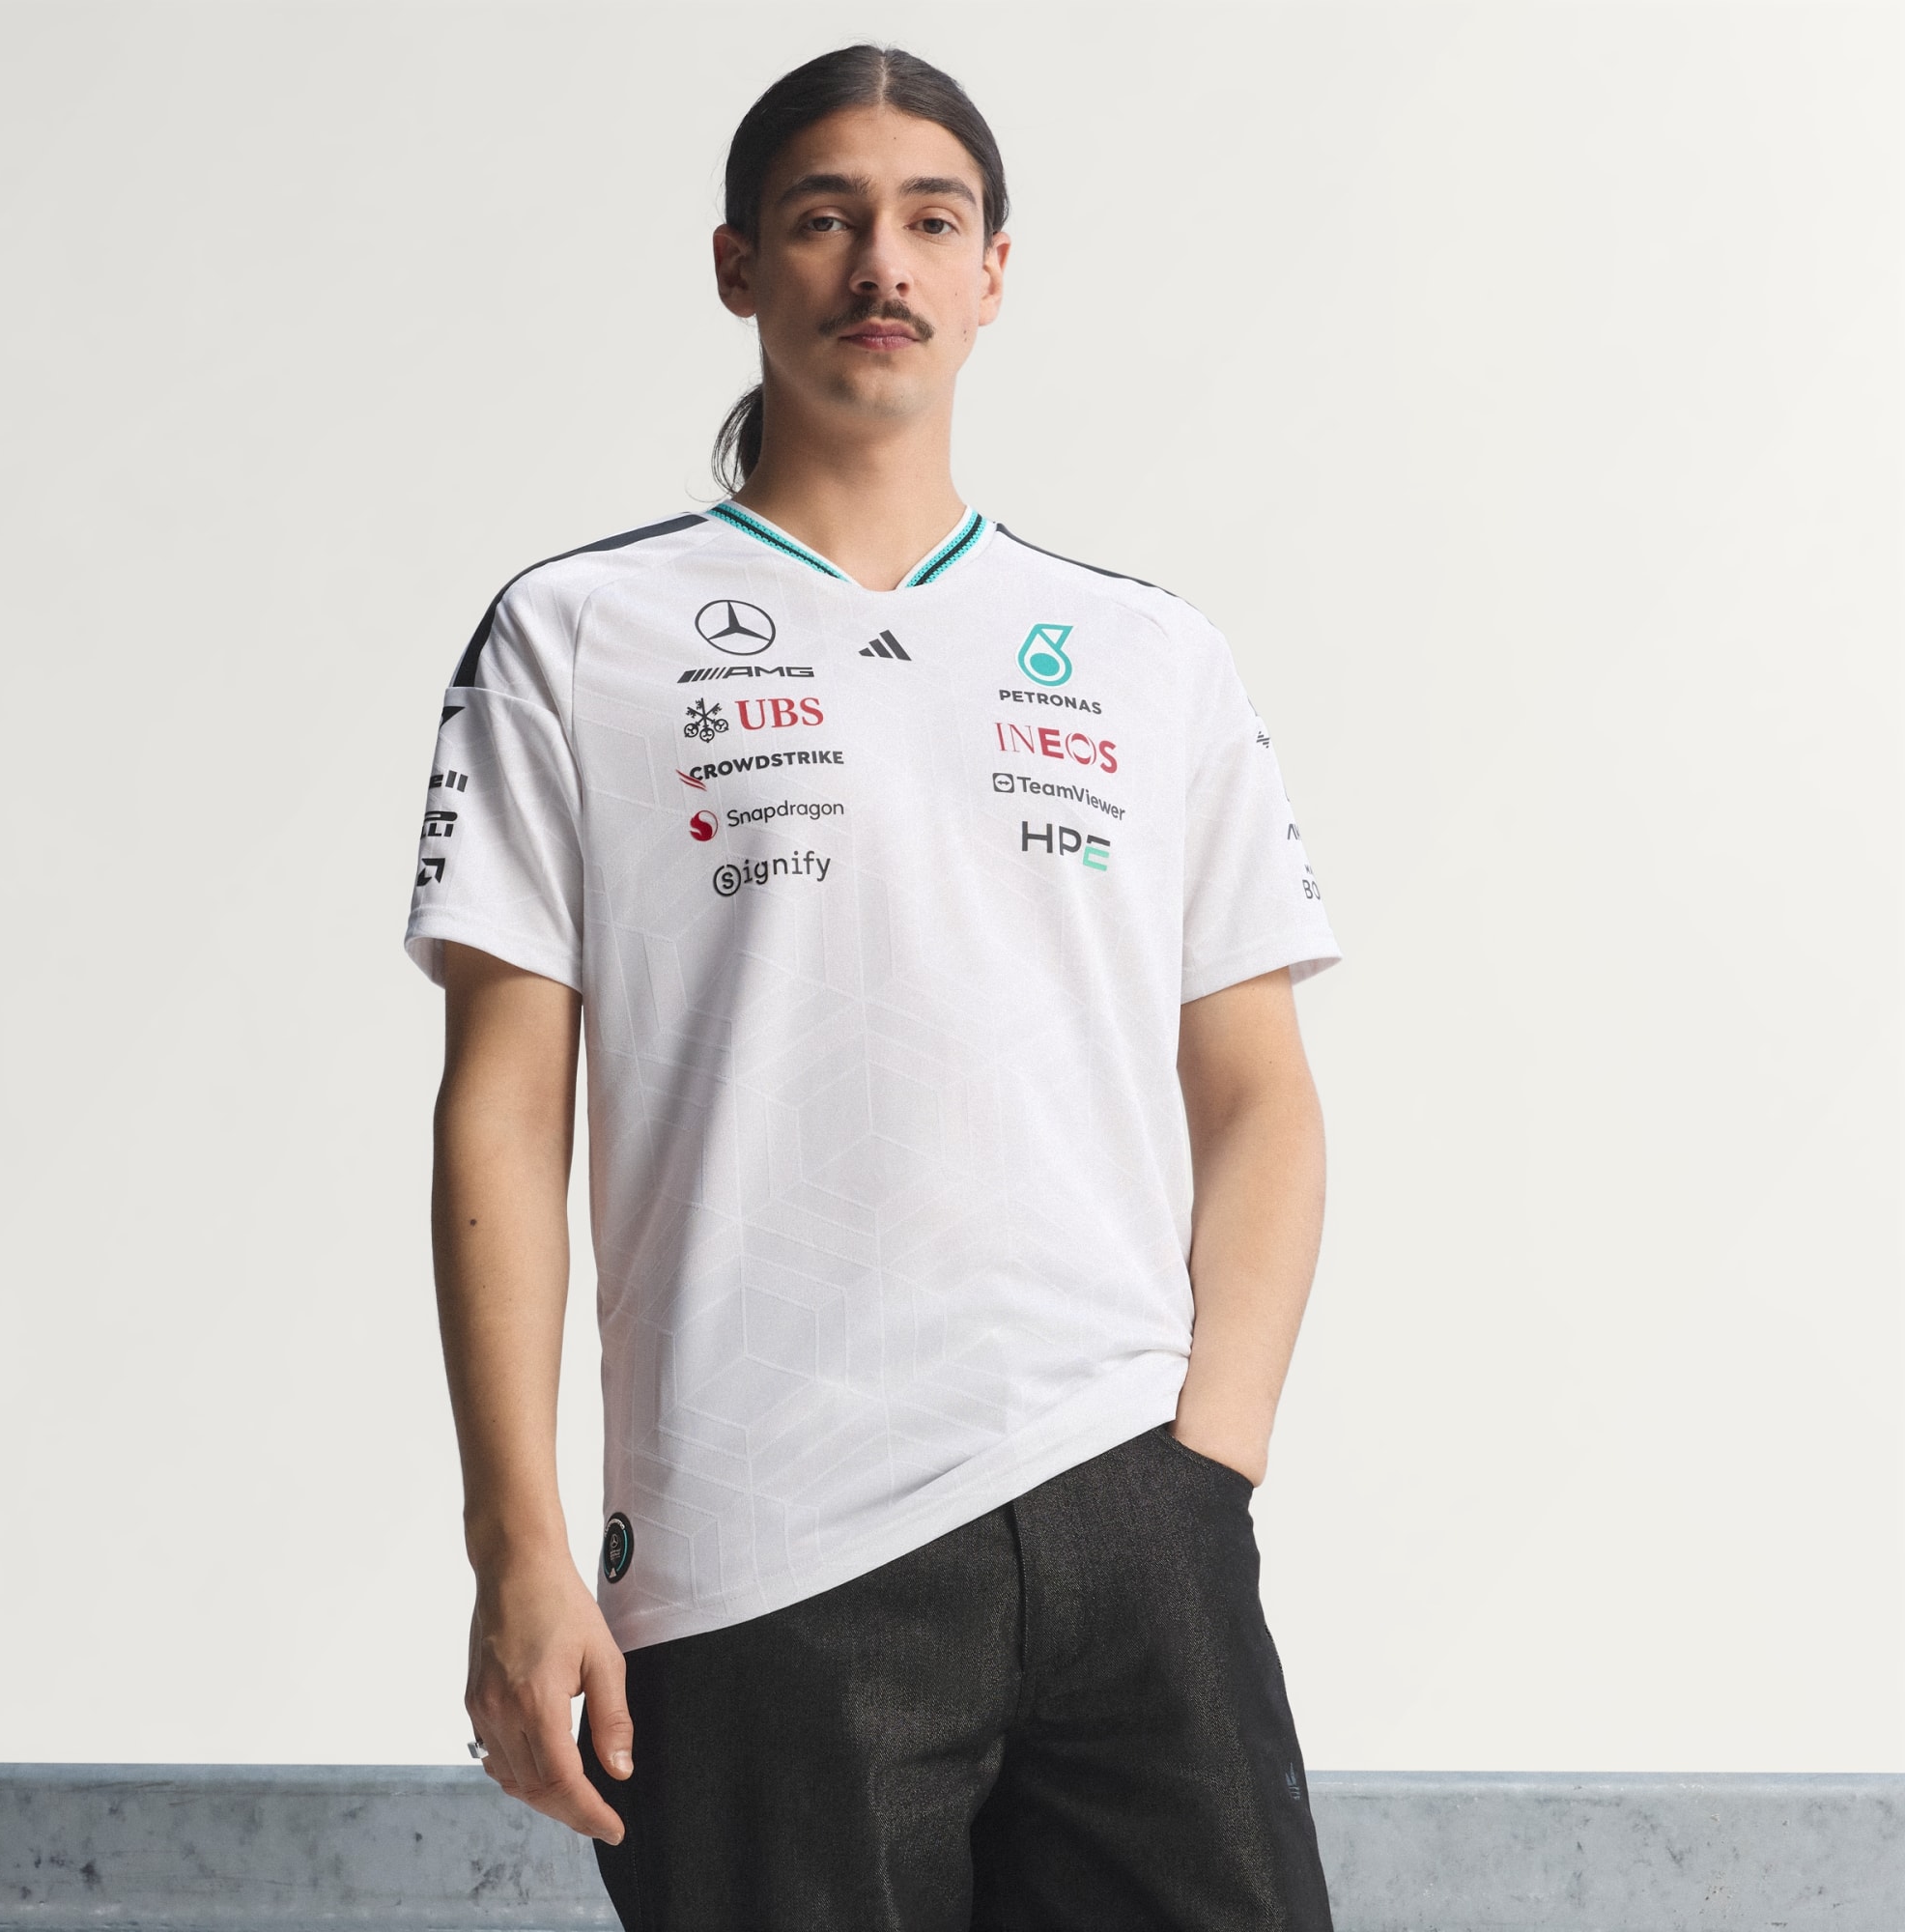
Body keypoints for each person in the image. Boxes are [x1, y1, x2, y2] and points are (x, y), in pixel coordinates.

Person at [406, 42, 1341, 1932]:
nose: (881, 264)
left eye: (931, 220)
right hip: (759, 1544)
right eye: (827, 219)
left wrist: (1205, 1466)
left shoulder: (1149, 658)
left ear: (993, 273)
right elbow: (500, 1103)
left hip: (1124, 1510)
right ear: (739, 264)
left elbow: (1261, 1092)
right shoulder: (577, 638)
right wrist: (517, 1543)